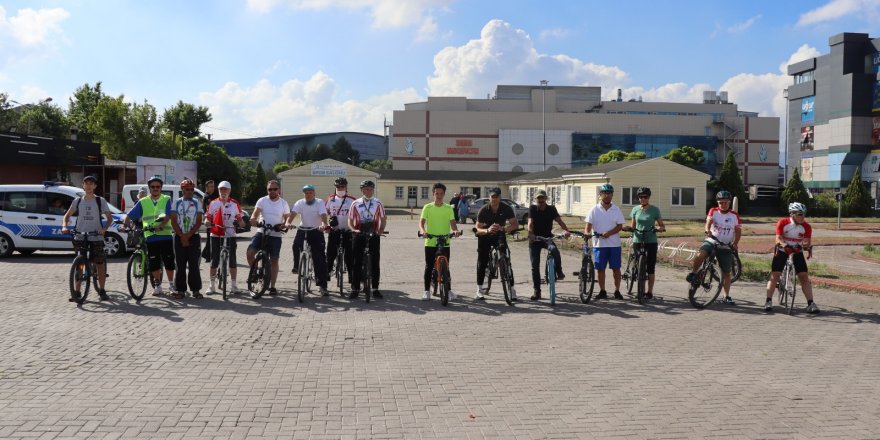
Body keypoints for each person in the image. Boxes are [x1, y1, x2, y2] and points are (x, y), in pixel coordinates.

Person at [61, 175, 113, 302]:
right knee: (79, 264)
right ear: (83, 185)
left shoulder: (100, 201)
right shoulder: (77, 201)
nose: (89, 186)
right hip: (80, 236)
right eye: (86, 183)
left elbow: (109, 218)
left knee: (99, 263)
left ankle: (102, 290)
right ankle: (77, 291)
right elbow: (67, 216)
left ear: (95, 186)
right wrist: (64, 226)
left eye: (91, 184)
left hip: (96, 236)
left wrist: (104, 229)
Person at [763, 202, 819, 313]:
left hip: (797, 251)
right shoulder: (783, 222)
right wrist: (784, 245)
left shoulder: (806, 226)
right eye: (800, 214)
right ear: (792, 214)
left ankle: (811, 303)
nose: (803, 216)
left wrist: (805, 246)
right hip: (783, 250)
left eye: (804, 214)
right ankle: (768, 301)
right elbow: (778, 238)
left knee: (804, 277)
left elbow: (807, 241)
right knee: (775, 275)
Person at [687, 190, 741, 305]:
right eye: (721, 202)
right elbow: (708, 222)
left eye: (726, 202)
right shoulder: (714, 211)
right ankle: (694, 273)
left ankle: (726, 296)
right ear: (717, 203)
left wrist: (735, 243)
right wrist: (707, 230)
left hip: (725, 245)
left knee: (726, 273)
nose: (723, 204)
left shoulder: (734, 215)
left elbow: (738, 230)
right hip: (712, 241)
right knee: (700, 254)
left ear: (729, 202)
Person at [125, 176, 175, 296]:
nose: (155, 188)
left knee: (169, 261)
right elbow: (130, 215)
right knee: (154, 262)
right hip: (150, 236)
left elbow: (169, 215)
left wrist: (161, 225)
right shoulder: (143, 201)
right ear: (149, 188)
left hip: (165, 236)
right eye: (153, 187)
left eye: (158, 186)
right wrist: (125, 225)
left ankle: (171, 285)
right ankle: (157, 286)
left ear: (161, 188)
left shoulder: (166, 199)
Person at [246, 180, 290, 297]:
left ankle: (272, 286)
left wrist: (284, 225)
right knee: (250, 253)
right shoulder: (262, 200)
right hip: (262, 231)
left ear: (278, 190)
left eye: (274, 189)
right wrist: (253, 220)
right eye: (270, 189)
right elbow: (255, 214)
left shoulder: (283, 203)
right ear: (267, 190)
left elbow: (287, 217)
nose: (272, 191)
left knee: (274, 259)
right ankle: (255, 272)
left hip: (275, 234)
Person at [419, 182, 462, 301]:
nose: (439, 196)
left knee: (446, 266)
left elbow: (452, 222)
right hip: (430, 240)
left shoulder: (448, 208)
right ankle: (426, 291)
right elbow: (421, 222)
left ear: (444, 194)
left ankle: (449, 290)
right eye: (436, 193)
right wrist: (423, 231)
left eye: (441, 193)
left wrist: (455, 230)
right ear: (433, 194)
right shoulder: (427, 207)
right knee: (429, 266)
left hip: (445, 240)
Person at [474, 187, 519, 301]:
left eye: (497, 197)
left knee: (507, 260)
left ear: (500, 197)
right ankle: (479, 289)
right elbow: (478, 228)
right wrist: (487, 230)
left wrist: (504, 229)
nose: (494, 199)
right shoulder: (484, 209)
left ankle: (512, 289)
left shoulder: (506, 208)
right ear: (489, 198)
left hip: (499, 234)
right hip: (486, 235)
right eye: (492, 197)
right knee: (482, 261)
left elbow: (515, 224)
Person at [621, 187, 665, 300]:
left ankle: (649, 292)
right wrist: (627, 228)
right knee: (637, 263)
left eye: (645, 197)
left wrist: (659, 229)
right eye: (640, 197)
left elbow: (662, 225)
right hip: (638, 239)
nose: (643, 199)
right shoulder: (635, 209)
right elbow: (633, 226)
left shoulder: (655, 210)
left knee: (650, 267)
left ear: (648, 197)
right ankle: (635, 274)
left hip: (651, 240)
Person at [527, 189, 571, 301]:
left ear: (546, 198)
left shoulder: (551, 209)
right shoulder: (533, 209)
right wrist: (531, 233)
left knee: (555, 251)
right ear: (535, 199)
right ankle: (537, 291)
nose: (541, 200)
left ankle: (559, 271)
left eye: (542, 198)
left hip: (548, 238)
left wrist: (566, 230)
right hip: (535, 239)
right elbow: (530, 222)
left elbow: (559, 221)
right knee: (534, 266)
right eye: (538, 198)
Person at [585, 183, 625, 300]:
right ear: (600, 194)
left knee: (616, 269)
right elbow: (588, 225)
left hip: (614, 244)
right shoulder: (594, 209)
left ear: (612, 195)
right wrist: (587, 233)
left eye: (609, 193)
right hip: (599, 245)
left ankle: (617, 290)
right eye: (605, 193)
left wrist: (609, 233)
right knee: (600, 269)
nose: (607, 195)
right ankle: (602, 290)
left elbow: (620, 226)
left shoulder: (616, 209)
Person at [289, 184, 330, 296]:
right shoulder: (300, 202)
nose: (308, 195)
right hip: (303, 229)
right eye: (306, 193)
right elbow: (293, 213)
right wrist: (288, 222)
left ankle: (322, 286)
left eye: (310, 192)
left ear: (314, 193)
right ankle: (296, 266)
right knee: (296, 245)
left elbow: (323, 214)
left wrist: (324, 224)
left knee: (320, 258)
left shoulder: (319, 202)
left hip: (316, 230)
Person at [205, 180, 245, 294]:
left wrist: (241, 223)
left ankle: (234, 285)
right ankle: (211, 285)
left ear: (229, 190)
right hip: (216, 233)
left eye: (225, 189)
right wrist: (207, 222)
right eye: (221, 189)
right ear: (218, 190)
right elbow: (208, 217)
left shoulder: (234, 203)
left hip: (230, 233)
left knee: (232, 259)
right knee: (214, 260)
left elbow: (240, 218)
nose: (223, 192)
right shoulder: (213, 203)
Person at [349, 180, 387, 299]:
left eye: (371, 189)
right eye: (366, 189)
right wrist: (353, 229)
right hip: (359, 234)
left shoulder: (378, 203)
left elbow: (383, 218)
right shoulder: (355, 203)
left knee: (375, 262)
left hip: (374, 234)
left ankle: (375, 289)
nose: (369, 191)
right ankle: (355, 288)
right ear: (362, 190)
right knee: (356, 262)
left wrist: (381, 229)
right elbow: (350, 220)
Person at [170, 179, 203, 299]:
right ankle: (180, 290)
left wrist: (187, 236)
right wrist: (181, 235)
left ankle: (196, 290)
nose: (190, 191)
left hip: (193, 237)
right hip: (179, 236)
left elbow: (199, 222)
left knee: (194, 264)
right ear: (182, 190)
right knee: (180, 264)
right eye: (187, 189)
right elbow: (173, 221)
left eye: (192, 189)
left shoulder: (197, 202)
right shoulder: (176, 202)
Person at [325, 177, 355, 283]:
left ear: (346, 187)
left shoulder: (352, 199)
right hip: (334, 230)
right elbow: (324, 213)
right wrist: (325, 225)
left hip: (348, 231)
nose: (340, 188)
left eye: (342, 186)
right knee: (330, 254)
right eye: (338, 187)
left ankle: (351, 276)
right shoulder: (331, 198)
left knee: (350, 255)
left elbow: (357, 215)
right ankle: (327, 273)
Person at [201, 180, 219, 262]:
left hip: (216, 220)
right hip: (210, 220)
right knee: (210, 239)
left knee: (212, 238)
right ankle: (207, 256)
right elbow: (207, 210)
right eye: (211, 186)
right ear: (207, 187)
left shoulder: (214, 195)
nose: (213, 188)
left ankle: (206, 254)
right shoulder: (207, 197)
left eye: (213, 186)